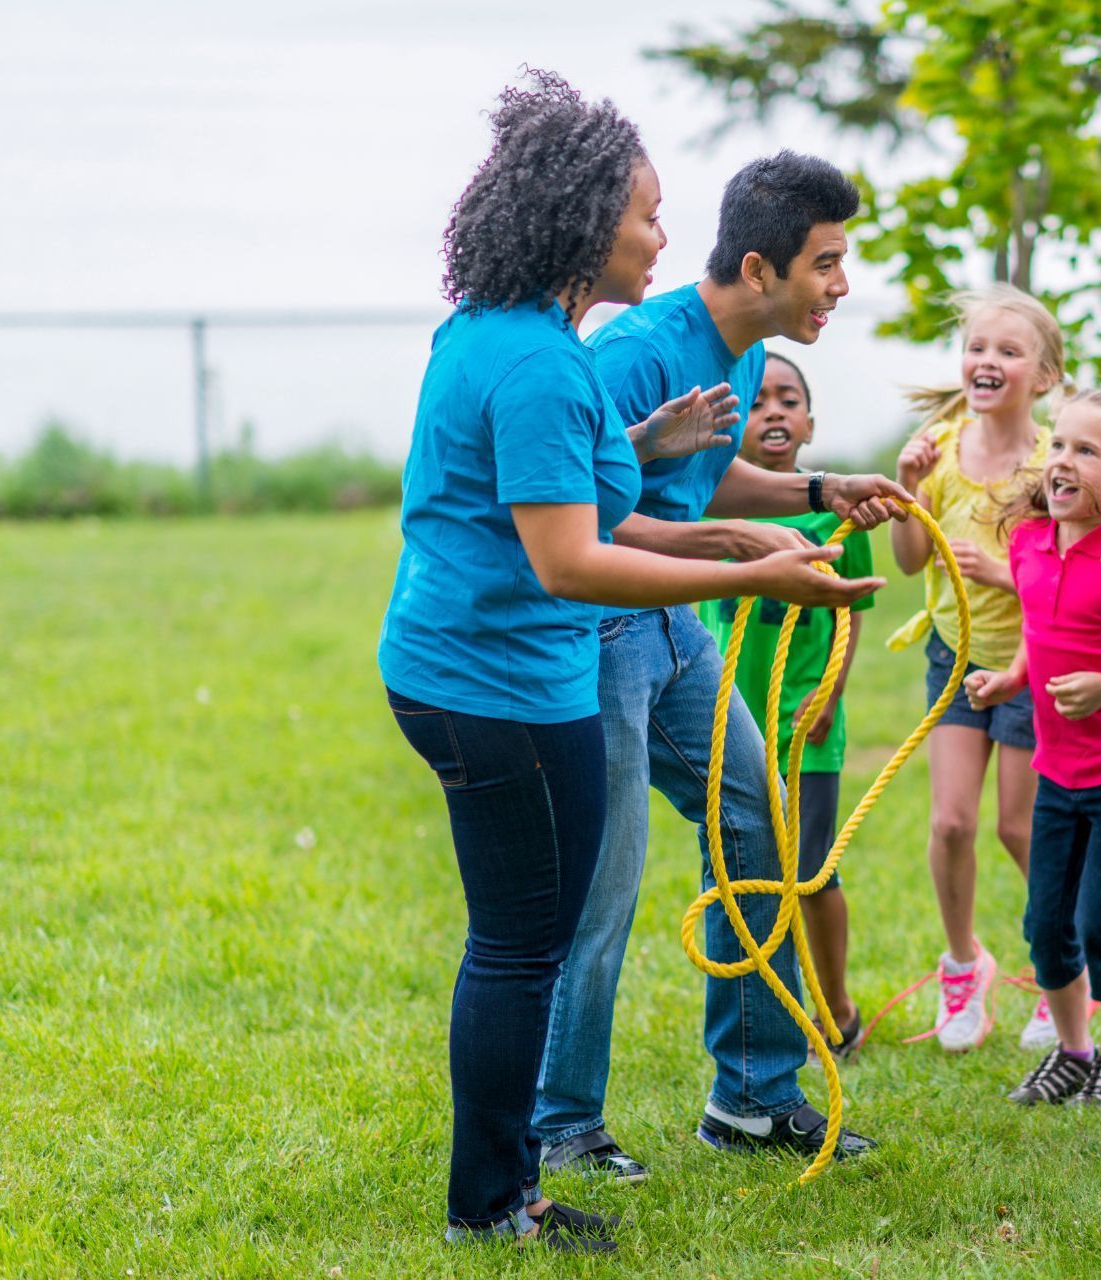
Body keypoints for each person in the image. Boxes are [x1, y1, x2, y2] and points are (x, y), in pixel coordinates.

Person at [378, 74, 880, 1253]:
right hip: (514, 671)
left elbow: (603, 484)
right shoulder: (557, 360)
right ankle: (517, 1178)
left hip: (499, 660)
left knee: (708, 834)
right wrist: (752, 568)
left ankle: (737, 1095)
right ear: (580, 217)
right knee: (539, 933)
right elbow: (574, 558)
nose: (663, 235)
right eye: (647, 215)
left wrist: (730, 478)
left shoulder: (513, 333)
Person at [531, 151, 910, 1179]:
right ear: (759, 266)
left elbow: (710, 477)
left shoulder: (739, 348)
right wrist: (745, 555)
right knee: (603, 884)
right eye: (825, 263)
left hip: (674, 629)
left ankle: (751, 1093)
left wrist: (823, 490)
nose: (840, 284)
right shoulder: (636, 354)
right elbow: (590, 520)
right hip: (605, 626)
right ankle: (559, 1121)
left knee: (756, 820)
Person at [964, 391, 1101, 1108]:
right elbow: (1039, 628)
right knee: (1046, 924)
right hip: (1055, 771)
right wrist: (1010, 680)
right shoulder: (1029, 539)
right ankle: (1072, 1051)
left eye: (1086, 451)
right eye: (1059, 445)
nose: (1062, 462)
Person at [888, 284, 1066, 1052]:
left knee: (1019, 829)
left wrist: (1001, 575)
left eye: (1008, 351)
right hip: (953, 658)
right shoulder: (940, 448)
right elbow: (907, 561)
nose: (986, 361)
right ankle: (964, 966)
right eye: (978, 348)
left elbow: (1071, 571)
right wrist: (905, 487)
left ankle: (1065, 976)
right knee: (951, 821)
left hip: (1032, 660)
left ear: (1044, 376)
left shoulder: (1056, 457)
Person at [702, 351, 874, 1054]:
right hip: (727, 716)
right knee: (745, 872)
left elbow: (850, 611)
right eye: (759, 400)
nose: (774, 411)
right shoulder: (707, 506)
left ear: (808, 423)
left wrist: (829, 694)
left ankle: (836, 1005)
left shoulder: (838, 519)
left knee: (809, 871)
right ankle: (769, 1009)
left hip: (804, 720)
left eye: (789, 400)